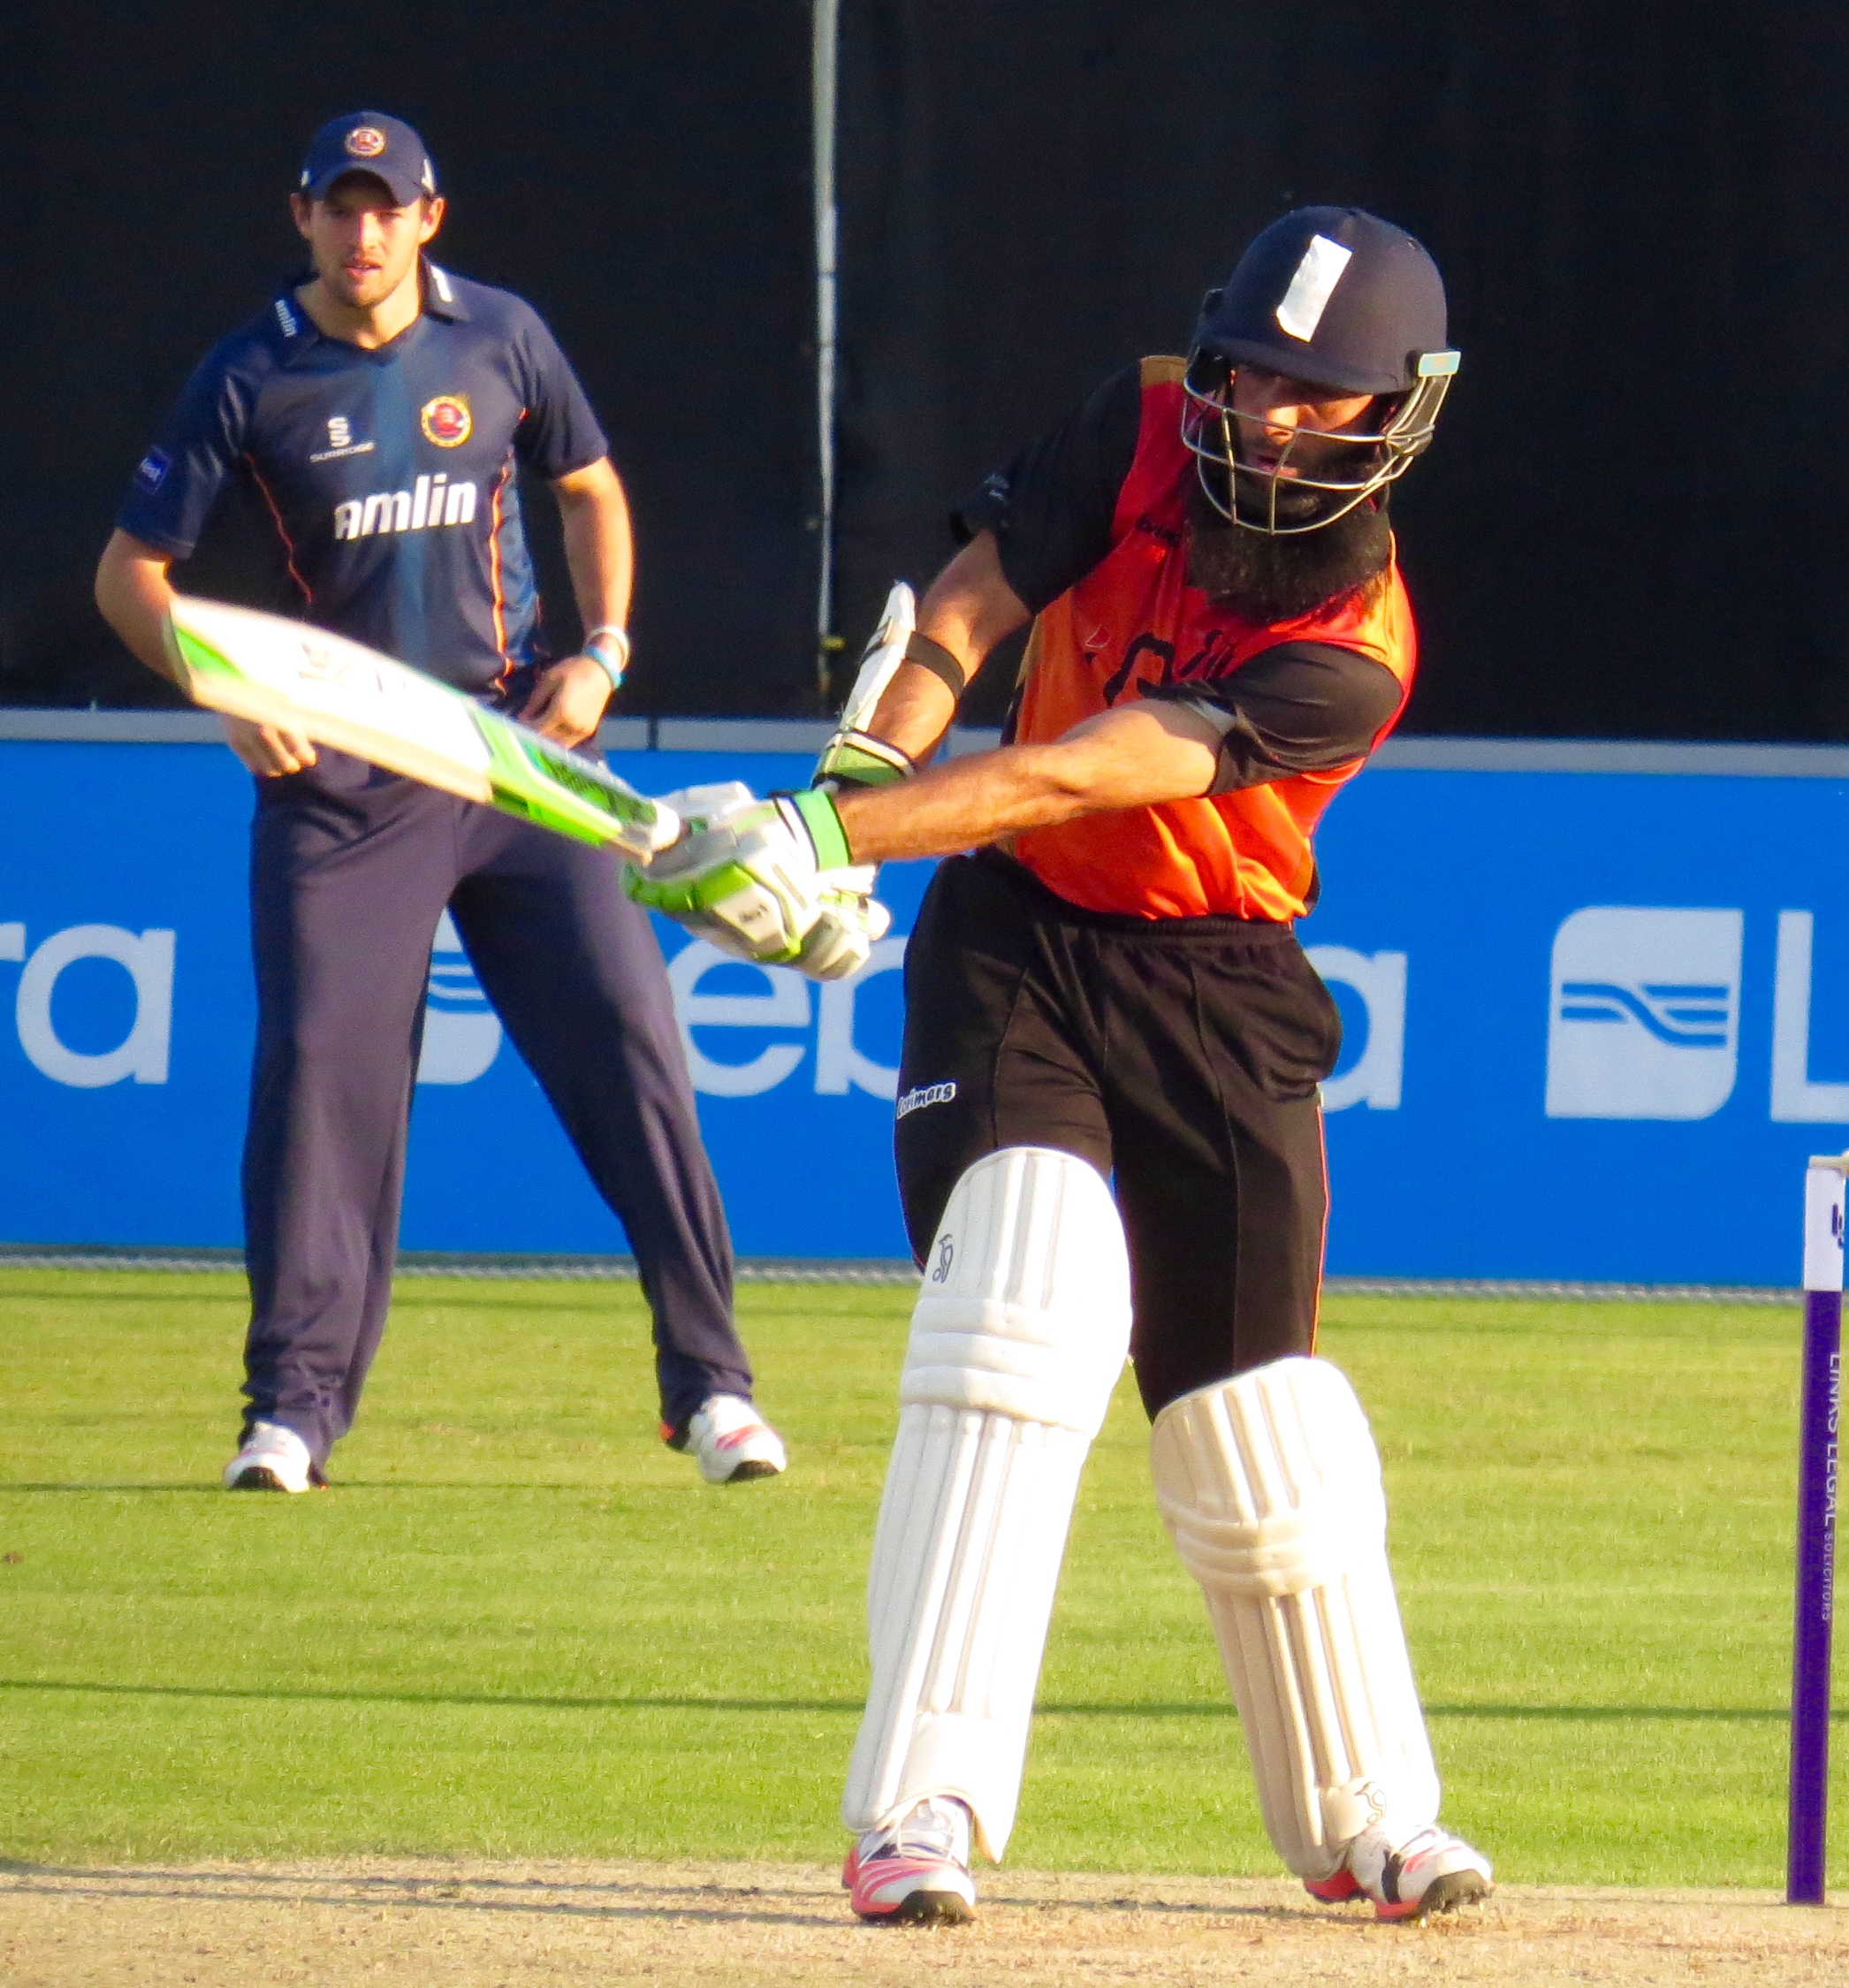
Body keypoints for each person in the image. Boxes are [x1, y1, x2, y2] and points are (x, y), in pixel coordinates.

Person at [630, 206, 1492, 1923]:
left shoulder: (1358, 645)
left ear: (1395, 412)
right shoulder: (1143, 419)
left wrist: (828, 838)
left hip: (1220, 986)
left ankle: (1368, 1819)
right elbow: (969, 603)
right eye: (1249, 373)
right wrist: (849, 781)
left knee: (1257, 1420)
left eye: (1314, 394)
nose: (1263, 415)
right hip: (1019, 946)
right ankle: (920, 1811)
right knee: (1022, 1300)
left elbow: (1097, 763)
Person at [93, 112, 784, 1494]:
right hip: (341, 776)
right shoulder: (249, 374)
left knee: (632, 1047)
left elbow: (590, 488)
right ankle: (290, 1415)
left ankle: (713, 1389)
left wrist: (606, 650)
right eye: (340, 208)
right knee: (319, 1073)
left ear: (429, 218)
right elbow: (128, 577)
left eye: (387, 208)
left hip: (516, 757)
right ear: (301, 216)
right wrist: (222, 687)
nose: (364, 233)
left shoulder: (501, 337)